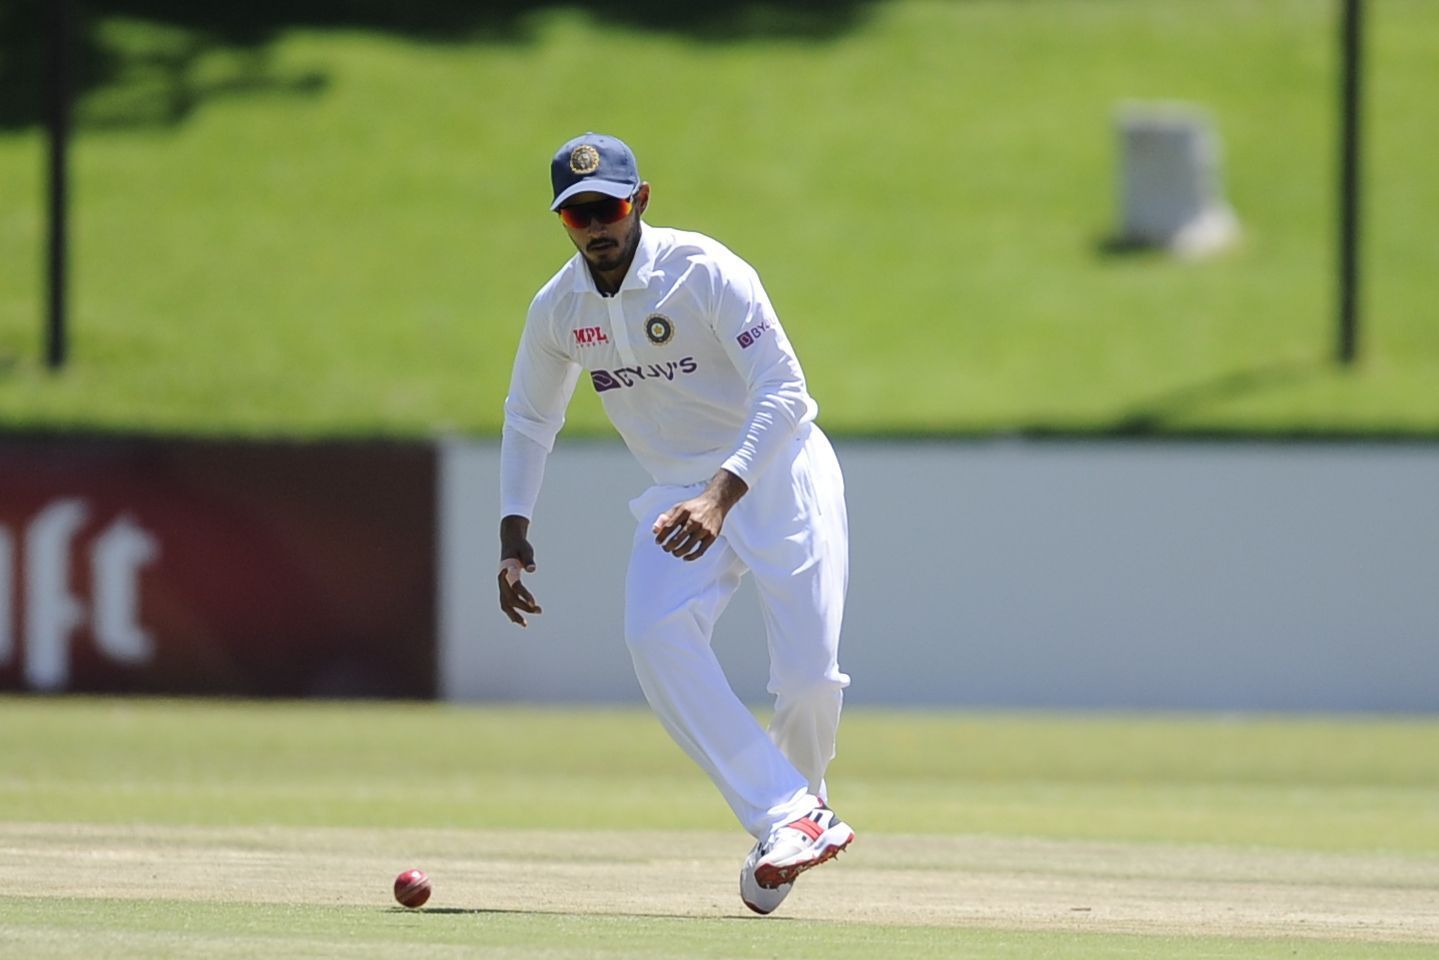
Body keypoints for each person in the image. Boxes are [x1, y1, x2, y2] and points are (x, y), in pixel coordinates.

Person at [497, 132, 853, 915]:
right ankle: (785, 813)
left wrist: (723, 494)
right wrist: (512, 526)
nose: (596, 226)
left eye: (608, 207)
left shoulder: (705, 271)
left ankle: (798, 808)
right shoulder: (559, 308)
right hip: (677, 490)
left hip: (779, 470)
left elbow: (787, 391)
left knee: (806, 679)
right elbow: (529, 417)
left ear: (641, 201)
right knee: (652, 631)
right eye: (576, 214)